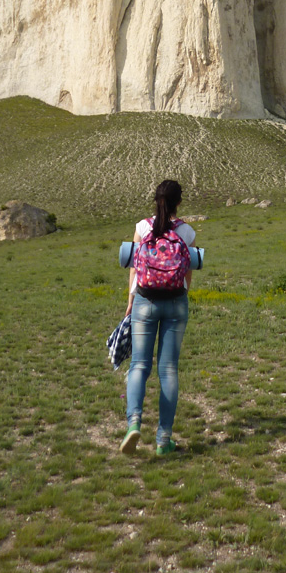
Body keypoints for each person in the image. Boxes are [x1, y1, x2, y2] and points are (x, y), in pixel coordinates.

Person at [120, 179, 195, 456]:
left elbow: (133, 268)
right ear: (179, 201)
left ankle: (134, 424)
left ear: (155, 200)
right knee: (168, 370)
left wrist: (130, 301)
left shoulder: (142, 227)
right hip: (175, 303)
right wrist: (181, 295)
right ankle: (164, 440)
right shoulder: (186, 231)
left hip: (144, 300)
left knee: (139, 365)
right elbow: (189, 271)